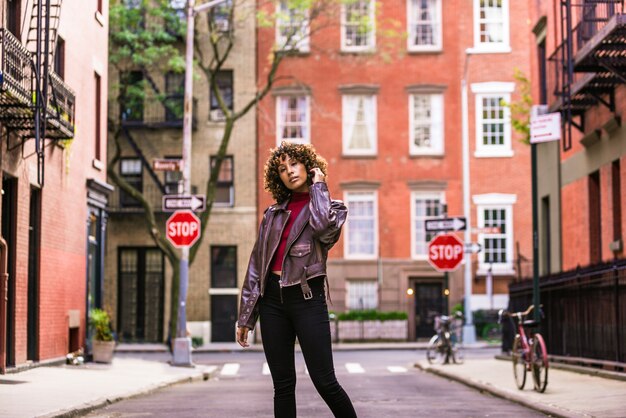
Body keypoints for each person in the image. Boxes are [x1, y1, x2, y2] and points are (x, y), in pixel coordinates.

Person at [236, 141, 357, 418]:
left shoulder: (333, 209)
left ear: (307, 165)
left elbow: (322, 229)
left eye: (294, 164)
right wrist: (246, 318)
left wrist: (318, 187)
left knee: (325, 382)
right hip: (271, 303)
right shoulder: (272, 214)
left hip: (307, 299)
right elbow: (256, 266)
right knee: (282, 385)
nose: (289, 171)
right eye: (282, 168)